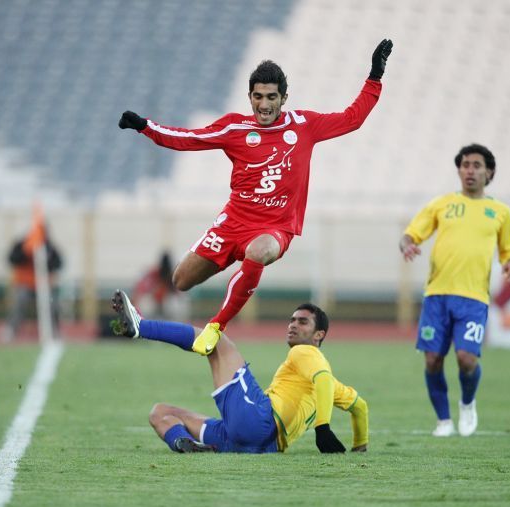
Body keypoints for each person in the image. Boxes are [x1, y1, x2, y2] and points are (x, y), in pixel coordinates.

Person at [118, 39, 394, 357]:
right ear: (250, 97)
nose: (264, 104)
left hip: (275, 229)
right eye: (258, 96)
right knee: (180, 280)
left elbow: (352, 118)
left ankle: (215, 327)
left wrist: (375, 76)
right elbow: (189, 139)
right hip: (233, 223)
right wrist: (145, 126)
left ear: (284, 98)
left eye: (271, 97)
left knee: (259, 251)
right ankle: (145, 324)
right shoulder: (234, 128)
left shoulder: (304, 125)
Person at [111, 289, 368, 454]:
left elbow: (322, 378)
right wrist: (360, 445)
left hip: (259, 421)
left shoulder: (305, 352)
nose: (293, 325)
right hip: (259, 445)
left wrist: (323, 429)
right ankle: (184, 444)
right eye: (291, 320)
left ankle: (142, 327)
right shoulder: (329, 385)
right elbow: (360, 407)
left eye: (302, 322)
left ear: (319, 335)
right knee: (160, 413)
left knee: (217, 342)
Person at [398, 144, 510, 438]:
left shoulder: (500, 212)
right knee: (432, 360)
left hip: (474, 298)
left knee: (466, 359)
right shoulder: (442, 204)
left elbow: (508, 249)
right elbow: (411, 234)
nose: (470, 170)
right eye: (465, 165)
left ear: (489, 172)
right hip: (437, 296)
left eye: (477, 165)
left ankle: (467, 403)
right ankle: (443, 421)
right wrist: (407, 245)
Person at [0, 227, 63, 342]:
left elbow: (59, 263)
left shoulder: (49, 247)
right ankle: (11, 329)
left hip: (44, 286)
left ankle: (54, 330)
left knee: (53, 302)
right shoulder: (22, 245)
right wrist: (25, 252)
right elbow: (12, 259)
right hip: (25, 285)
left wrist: (46, 259)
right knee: (20, 300)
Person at [132, 250, 188, 321]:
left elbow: (181, 296)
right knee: (146, 303)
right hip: (153, 305)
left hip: (168, 310)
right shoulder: (153, 274)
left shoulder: (173, 275)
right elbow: (139, 291)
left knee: (175, 303)